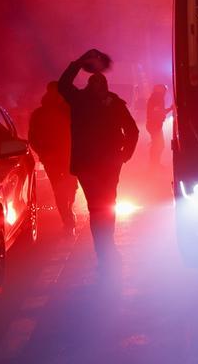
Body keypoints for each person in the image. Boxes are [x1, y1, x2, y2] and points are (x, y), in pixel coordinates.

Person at [58, 50, 139, 264]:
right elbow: (132, 131)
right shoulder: (106, 102)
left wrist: (78, 63)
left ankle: (103, 249)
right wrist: (125, 154)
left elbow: (63, 85)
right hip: (104, 164)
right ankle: (105, 247)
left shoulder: (81, 100)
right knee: (105, 205)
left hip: (92, 164)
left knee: (99, 206)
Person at [28, 82, 78, 235]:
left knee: (68, 187)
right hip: (55, 158)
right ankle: (67, 217)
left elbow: (79, 130)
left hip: (66, 156)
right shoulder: (41, 113)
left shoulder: (68, 110)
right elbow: (33, 137)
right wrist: (42, 153)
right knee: (61, 189)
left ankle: (67, 210)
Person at [145, 84, 172, 166]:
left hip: (153, 124)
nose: (165, 92)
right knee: (159, 145)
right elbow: (158, 112)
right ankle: (154, 164)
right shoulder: (157, 98)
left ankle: (154, 163)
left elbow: (158, 111)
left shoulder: (155, 97)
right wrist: (170, 109)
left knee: (157, 144)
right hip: (154, 124)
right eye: (164, 90)